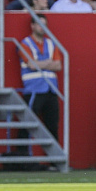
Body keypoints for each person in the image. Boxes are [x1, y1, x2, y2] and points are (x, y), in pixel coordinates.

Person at [18, 14, 61, 144]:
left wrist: (40, 64)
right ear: (32, 26)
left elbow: (58, 66)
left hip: (51, 90)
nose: (42, 27)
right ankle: (22, 155)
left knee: (53, 125)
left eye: (44, 24)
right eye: (39, 24)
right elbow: (31, 64)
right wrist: (49, 62)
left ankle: (55, 161)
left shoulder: (51, 43)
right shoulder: (24, 43)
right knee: (27, 124)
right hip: (34, 90)